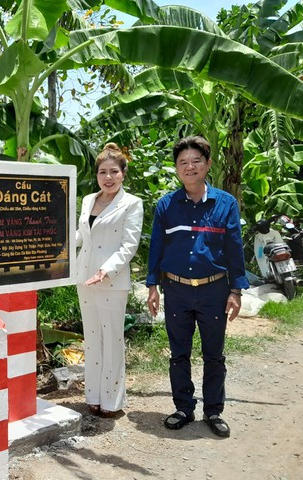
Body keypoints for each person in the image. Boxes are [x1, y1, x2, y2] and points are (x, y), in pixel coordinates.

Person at [146, 135, 249, 438]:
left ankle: (213, 411)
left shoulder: (225, 204)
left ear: (207, 165)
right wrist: (152, 286)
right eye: (183, 162)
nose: (189, 167)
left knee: (214, 354)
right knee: (179, 353)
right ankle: (183, 407)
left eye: (196, 161)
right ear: (177, 168)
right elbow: (156, 248)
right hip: (176, 290)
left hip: (213, 290)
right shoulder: (166, 205)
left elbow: (234, 248)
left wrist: (236, 290)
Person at [76, 143, 143, 418]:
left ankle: (112, 401)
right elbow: (82, 237)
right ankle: (92, 395)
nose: (108, 177)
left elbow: (129, 245)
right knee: (91, 338)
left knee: (112, 339)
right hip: (84, 278)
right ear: (97, 175)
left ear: (123, 173)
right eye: (103, 172)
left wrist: (106, 270)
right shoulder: (88, 200)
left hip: (111, 281)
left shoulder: (132, 203)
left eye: (114, 171)